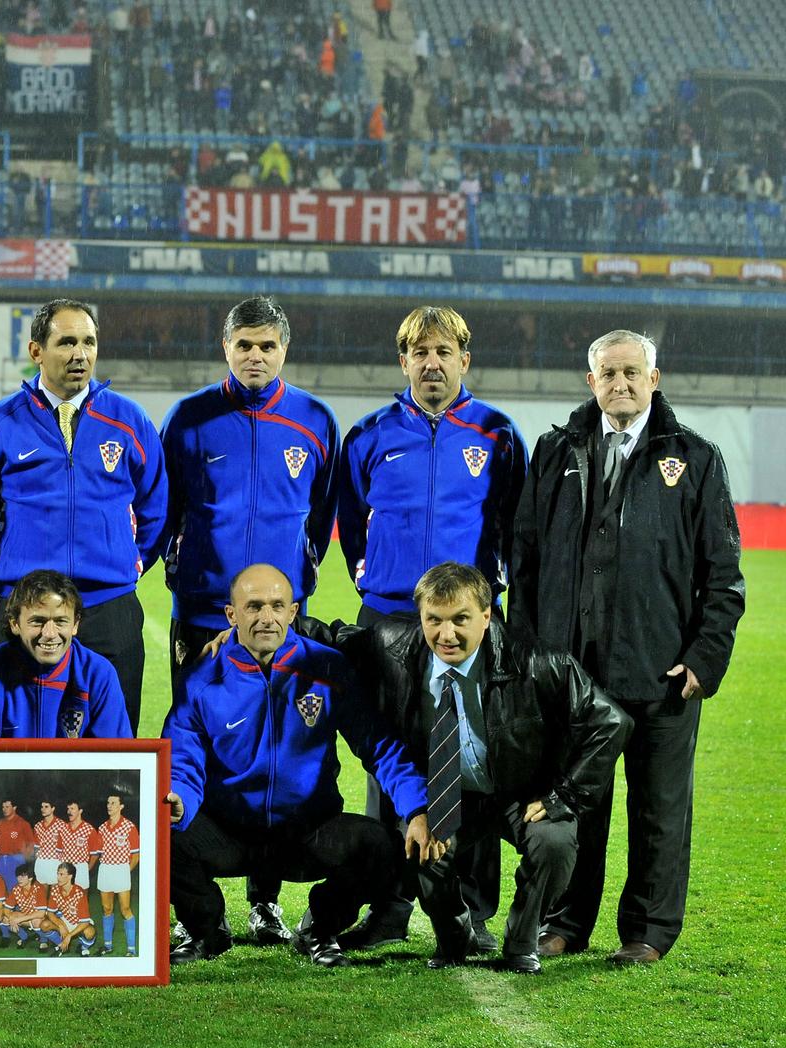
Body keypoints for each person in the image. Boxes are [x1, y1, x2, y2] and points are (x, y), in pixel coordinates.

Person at [510, 330, 744, 965]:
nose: (621, 383)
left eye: (632, 372)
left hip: (661, 673)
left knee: (660, 813)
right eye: (609, 372)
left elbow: (724, 576)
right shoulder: (555, 452)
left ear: (654, 378)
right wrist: (531, 652)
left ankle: (646, 933)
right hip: (573, 676)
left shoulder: (695, 459)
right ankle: (564, 924)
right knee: (575, 806)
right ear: (591, 382)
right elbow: (524, 562)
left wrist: (703, 658)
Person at [336, 305, 527, 950]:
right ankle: (389, 904)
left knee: (470, 758)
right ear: (404, 361)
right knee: (389, 760)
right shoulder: (366, 436)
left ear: (464, 360)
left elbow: (509, 526)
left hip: (467, 624)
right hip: (389, 618)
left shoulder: (498, 434)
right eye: (420, 353)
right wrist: (374, 581)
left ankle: (470, 905)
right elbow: (350, 524)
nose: (432, 364)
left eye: (445, 352)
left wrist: (489, 601)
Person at [337, 562, 628, 972]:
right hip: (452, 792)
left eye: (461, 620)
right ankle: (455, 935)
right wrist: (248, 634)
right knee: (419, 840)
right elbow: (331, 638)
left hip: (523, 794)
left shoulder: (539, 662)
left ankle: (523, 941)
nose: (446, 634)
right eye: (433, 620)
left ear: (487, 616)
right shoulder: (392, 645)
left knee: (555, 842)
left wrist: (566, 794)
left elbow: (611, 721)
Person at [161, 295, 339, 946]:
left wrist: (294, 591)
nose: (255, 356)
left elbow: (321, 518)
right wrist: (192, 586)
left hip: (279, 626)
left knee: (276, 754)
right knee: (197, 754)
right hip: (201, 617)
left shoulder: (316, 421)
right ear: (225, 349)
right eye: (244, 345)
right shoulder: (189, 420)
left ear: (284, 349)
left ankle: (264, 902)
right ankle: (195, 910)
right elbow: (165, 513)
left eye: (267, 345)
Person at [165, 564, 438, 966]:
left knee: (381, 845)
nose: (266, 618)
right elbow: (181, 759)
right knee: (157, 830)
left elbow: (377, 744)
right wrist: (181, 801)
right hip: (230, 833)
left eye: (277, 606)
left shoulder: (328, 667)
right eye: (253, 606)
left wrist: (417, 807)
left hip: (306, 833)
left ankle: (320, 928)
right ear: (231, 615)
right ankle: (207, 929)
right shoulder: (201, 680)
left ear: (294, 612)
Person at [0, 299, 168, 732]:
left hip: (108, 606)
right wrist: (1, 574)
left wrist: (128, 563)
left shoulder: (130, 420)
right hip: (25, 608)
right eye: (66, 342)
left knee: (114, 746)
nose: (80, 354)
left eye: (88, 342)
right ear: (36, 351)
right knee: (16, 741)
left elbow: (156, 506)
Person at [0, 570, 130, 740]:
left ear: (75, 624)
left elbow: (115, 760)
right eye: (37, 621)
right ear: (15, 623)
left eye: (61, 621)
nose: (49, 633)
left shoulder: (98, 675)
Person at [95, 793, 142, 956]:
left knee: (125, 909)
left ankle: (131, 948)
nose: (109, 806)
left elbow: (135, 856)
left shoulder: (129, 827)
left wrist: (123, 872)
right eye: (108, 803)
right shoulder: (101, 828)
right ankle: (108, 946)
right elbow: (98, 853)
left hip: (121, 869)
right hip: (105, 870)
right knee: (107, 909)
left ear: (121, 806)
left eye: (113, 803)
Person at [39, 862, 98, 955]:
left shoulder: (79, 892)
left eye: (61, 874)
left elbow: (85, 921)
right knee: (44, 925)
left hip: (79, 922)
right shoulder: (55, 889)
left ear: (70, 876)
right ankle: (61, 945)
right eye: (58, 874)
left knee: (89, 932)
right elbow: (50, 913)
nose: (58, 877)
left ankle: (82, 946)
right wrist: (61, 926)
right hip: (65, 920)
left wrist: (69, 936)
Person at [0, 799, 35, 893]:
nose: (4, 809)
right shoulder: (0, 824)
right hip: (2, 860)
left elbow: (31, 843)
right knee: (2, 887)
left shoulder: (23, 823)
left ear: (14, 807)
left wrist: (23, 859)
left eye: (7, 807)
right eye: (3, 807)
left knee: (16, 887)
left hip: (16, 859)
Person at [1, 864, 47, 947]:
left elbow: (41, 913)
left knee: (36, 921)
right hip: (25, 914)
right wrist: (12, 919)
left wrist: (19, 920)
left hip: (39, 917)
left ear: (30, 878)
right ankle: (24, 937)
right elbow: (6, 909)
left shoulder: (39, 888)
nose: (19, 879)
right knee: (5, 918)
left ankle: (44, 940)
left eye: (23, 876)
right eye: (18, 876)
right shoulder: (16, 888)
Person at [60, 800, 99, 890]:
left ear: (80, 811)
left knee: (81, 898)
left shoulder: (89, 829)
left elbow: (95, 854)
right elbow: (58, 851)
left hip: (81, 867)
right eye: (68, 809)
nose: (69, 811)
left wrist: (86, 869)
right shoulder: (63, 828)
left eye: (72, 808)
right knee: (65, 897)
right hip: (65, 867)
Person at [32, 799, 67, 886]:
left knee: (56, 890)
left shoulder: (61, 825)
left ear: (53, 808)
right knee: (42, 890)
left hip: (55, 861)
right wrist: (38, 859)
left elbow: (65, 846)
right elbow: (36, 846)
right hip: (41, 861)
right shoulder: (38, 826)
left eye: (46, 807)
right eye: (42, 807)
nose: (43, 809)